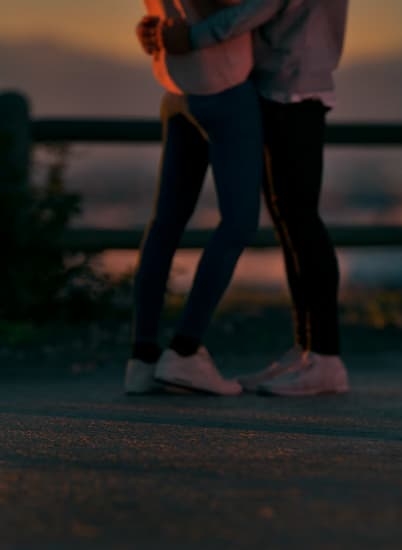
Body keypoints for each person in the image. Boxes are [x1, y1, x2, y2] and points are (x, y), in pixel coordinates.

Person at [137, 0, 351, 397]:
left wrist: (189, 37)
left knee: (299, 221)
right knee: (289, 221)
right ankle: (309, 351)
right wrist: (165, 31)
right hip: (276, 83)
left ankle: (324, 358)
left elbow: (258, 6)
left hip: (295, 86)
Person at [124, 0, 263, 396]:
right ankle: (185, 350)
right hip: (221, 85)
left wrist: (157, 29)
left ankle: (142, 358)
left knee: (165, 222)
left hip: (175, 88)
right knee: (239, 222)